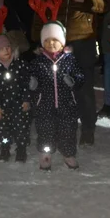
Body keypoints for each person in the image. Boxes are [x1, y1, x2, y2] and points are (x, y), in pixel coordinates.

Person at [31, 0, 109, 145]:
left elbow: (104, 3)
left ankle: (88, 129)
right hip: (55, 39)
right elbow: (42, 4)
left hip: (82, 37)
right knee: (56, 87)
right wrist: (38, 36)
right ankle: (60, 129)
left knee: (83, 88)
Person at [27, 20, 85, 170]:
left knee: (68, 130)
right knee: (46, 131)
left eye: (55, 40)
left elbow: (80, 76)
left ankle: (68, 154)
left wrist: (73, 81)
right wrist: (32, 84)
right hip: (45, 105)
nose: (51, 43)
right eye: (47, 40)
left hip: (67, 104)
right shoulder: (38, 62)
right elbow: (31, 77)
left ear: (62, 42)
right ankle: (45, 155)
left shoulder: (70, 60)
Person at [0, 32, 32, 163]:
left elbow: (26, 84)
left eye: (8, 47)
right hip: (2, 106)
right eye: (2, 49)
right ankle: (5, 148)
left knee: (21, 127)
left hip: (18, 104)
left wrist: (26, 99)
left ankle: (21, 149)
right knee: (3, 130)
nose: (6, 50)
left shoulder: (20, 65)